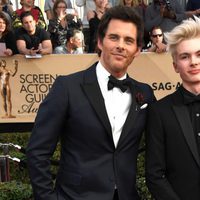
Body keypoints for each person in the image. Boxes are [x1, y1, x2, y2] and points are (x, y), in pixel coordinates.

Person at [26, 6, 155, 200]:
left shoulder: (144, 93)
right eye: (114, 37)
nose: (121, 45)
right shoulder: (67, 87)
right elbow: (37, 151)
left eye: (128, 40)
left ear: (137, 50)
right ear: (100, 42)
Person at [146, 16, 200, 200]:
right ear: (175, 65)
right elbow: (154, 175)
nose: (193, 62)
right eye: (185, 56)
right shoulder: (160, 111)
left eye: (199, 54)